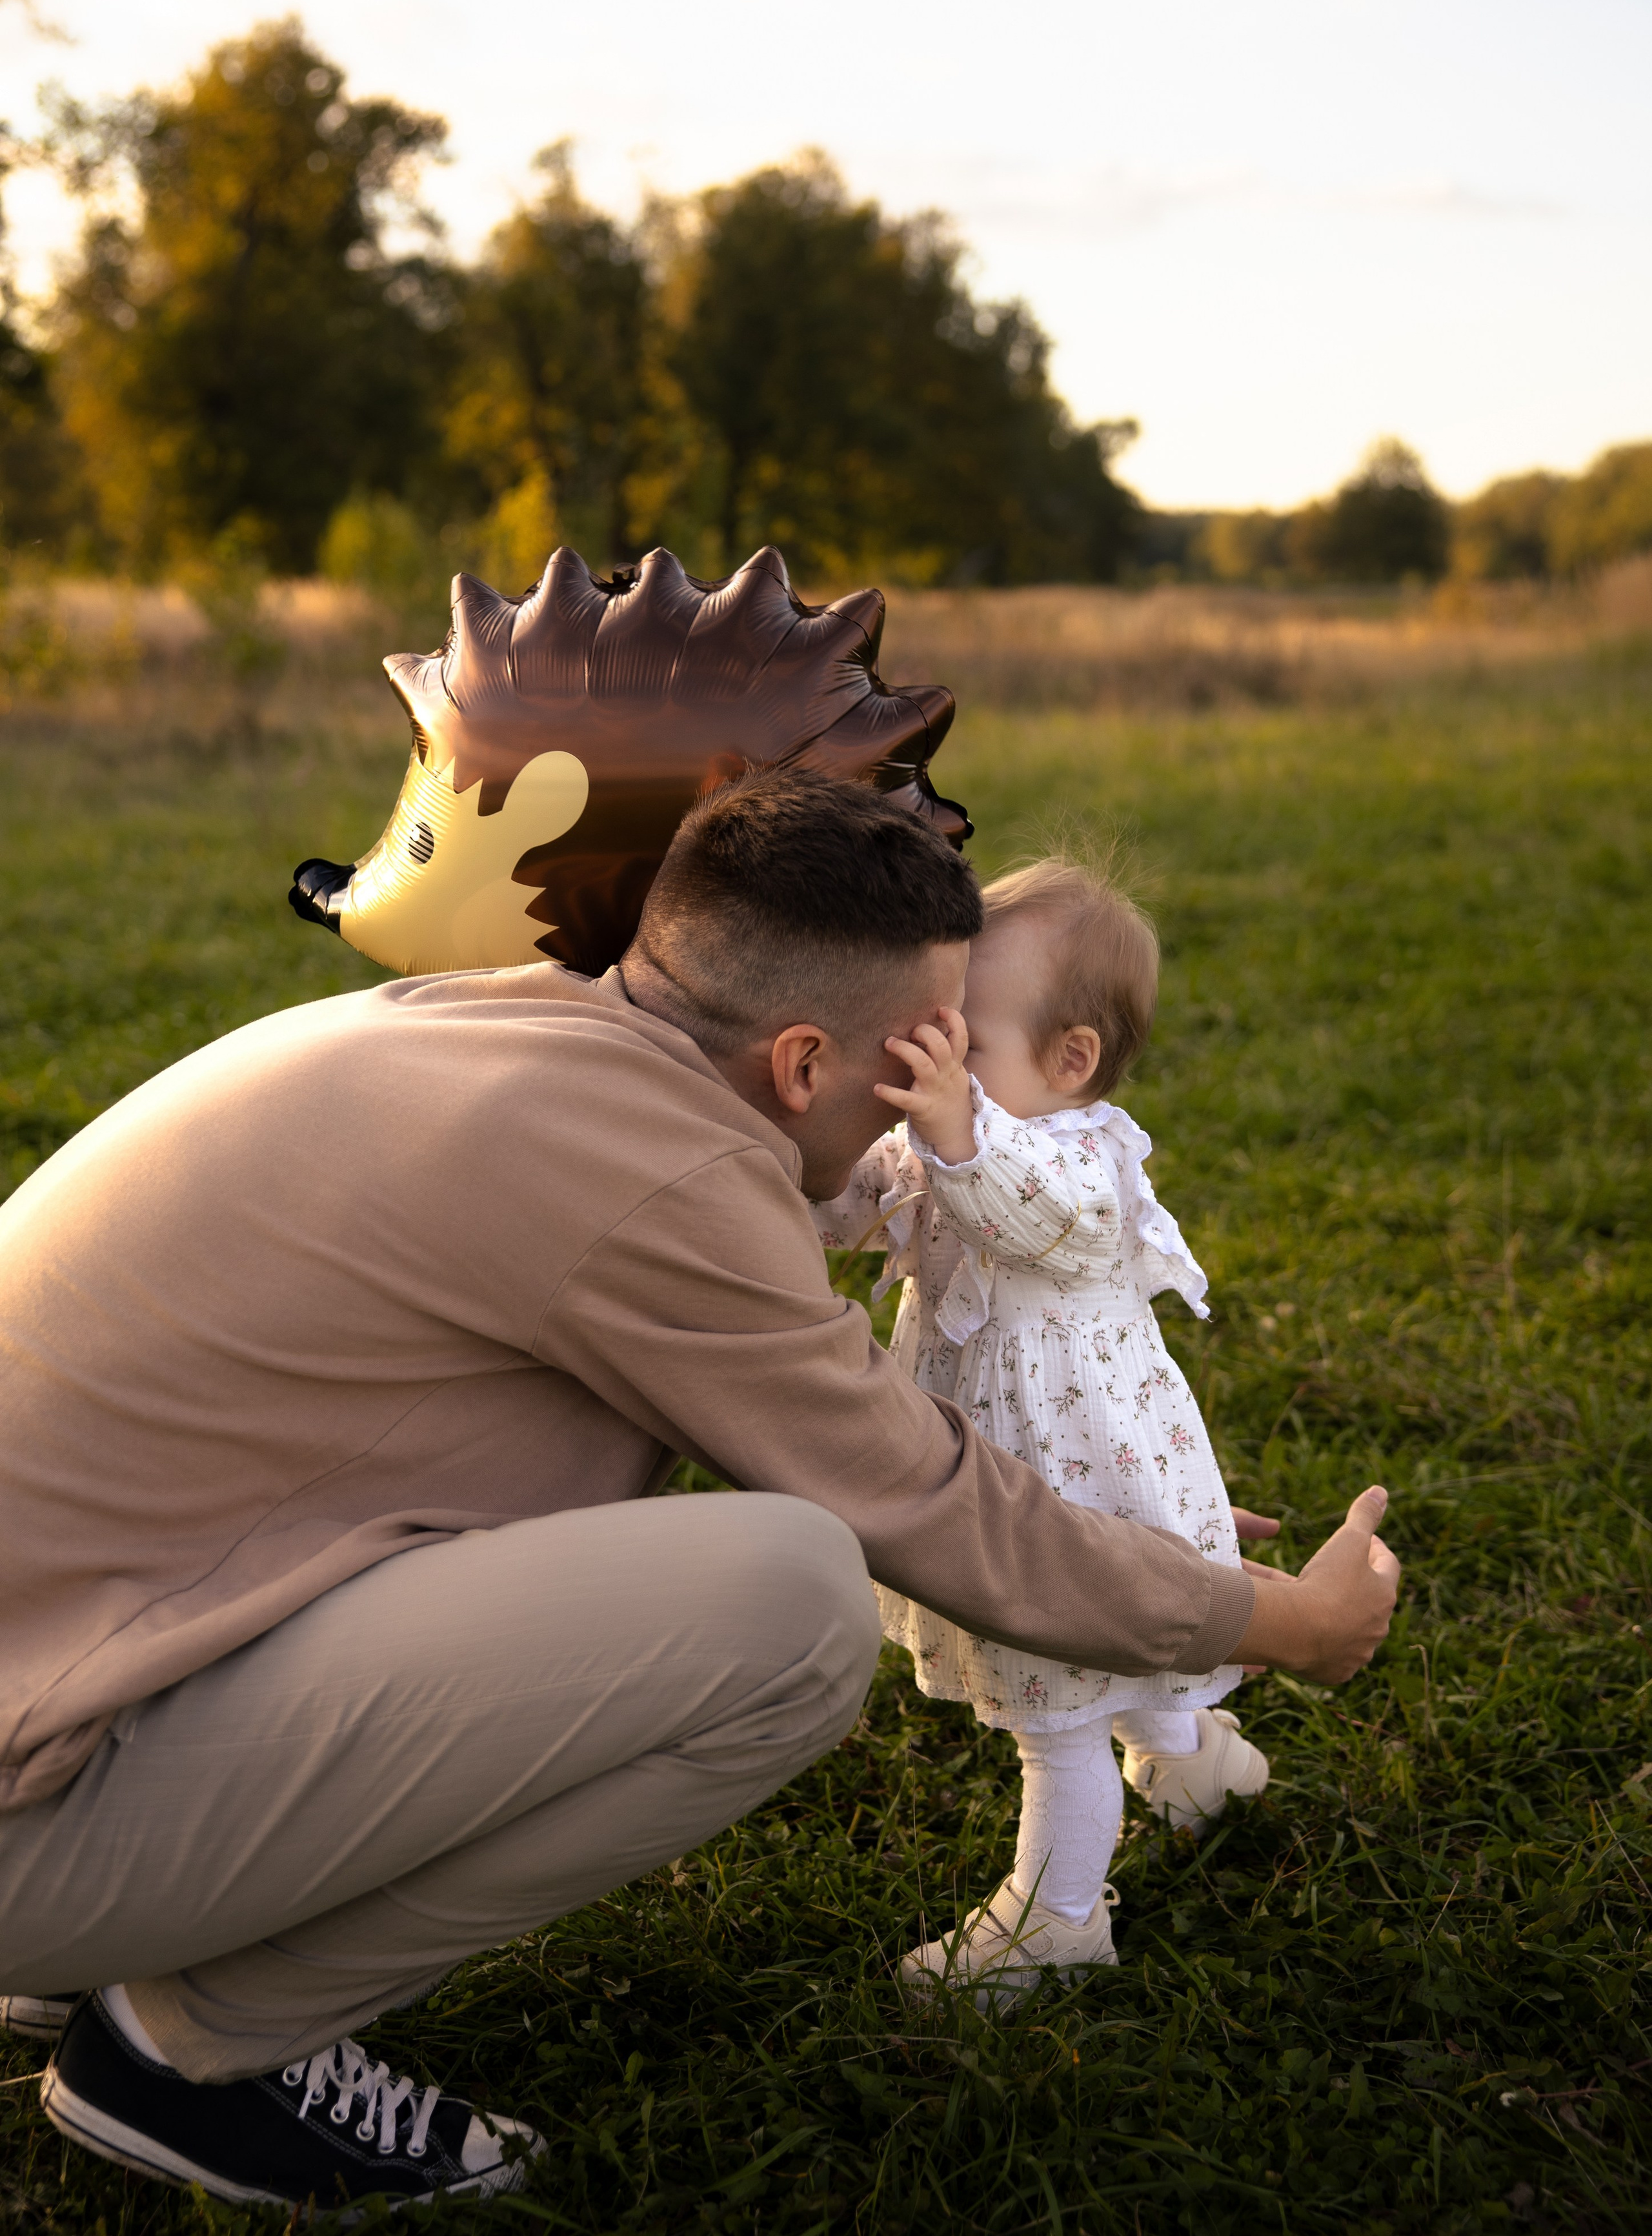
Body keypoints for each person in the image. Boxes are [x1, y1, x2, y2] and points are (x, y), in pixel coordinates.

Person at [0, 772, 1398, 2210]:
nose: (933, 1109)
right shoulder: (663, 1180)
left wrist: (1125, 1518)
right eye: (920, 1061)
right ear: (802, 1067)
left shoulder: (511, 1017)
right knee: (785, 1610)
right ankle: (190, 2045)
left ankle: (117, 1940)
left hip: (63, 1676)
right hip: (32, 1801)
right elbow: (929, 1505)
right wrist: (1277, 1624)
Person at [813, 857, 1271, 2009]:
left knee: (1060, 1702)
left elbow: (1014, 1201)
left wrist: (955, 1125)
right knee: (1119, 1652)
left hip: (1067, 1478)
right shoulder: (968, 1129)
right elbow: (862, 1198)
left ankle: (1057, 1922)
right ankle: (1193, 1764)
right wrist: (801, 1160)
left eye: (963, 1037)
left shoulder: (1077, 1162)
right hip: (1044, 1464)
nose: (933, 1061)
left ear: (1071, 1060)